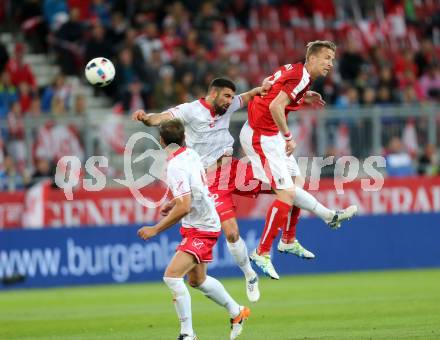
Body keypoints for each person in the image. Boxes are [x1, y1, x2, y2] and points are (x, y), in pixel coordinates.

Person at [132, 78, 315, 301]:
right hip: (211, 181)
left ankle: (291, 236)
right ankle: (250, 275)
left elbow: (249, 96)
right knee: (232, 233)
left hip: (234, 170)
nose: (230, 101)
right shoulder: (191, 110)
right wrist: (146, 118)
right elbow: (161, 117)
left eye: (231, 97)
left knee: (289, 187)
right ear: (213, 94)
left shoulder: (228, 105)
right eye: (226, 96)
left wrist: (277, 93)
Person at [239, 40, 358, 279]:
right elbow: (275, 105)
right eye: (326, 58)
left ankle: (288, 239)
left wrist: (303, 98)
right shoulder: (300, 77)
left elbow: (274, 94)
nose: (330, 64)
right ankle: (262, 252)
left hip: (267, 132)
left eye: (332, 59)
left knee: (297, 182)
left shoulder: (296, 71)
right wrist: (288, 136)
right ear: (312, 58)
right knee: (286, 193)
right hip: (262, 135)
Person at [137, 119, 250, 340]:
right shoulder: (190, 154)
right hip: (198, 223)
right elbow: (194, 187)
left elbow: (185, 206)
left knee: (171, 276)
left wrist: (156, 229)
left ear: (161, 141)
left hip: (203, 226)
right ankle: (238, 312)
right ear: (184, 138)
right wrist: (174, 201)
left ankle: (187, 334)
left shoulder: (174, 166)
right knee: (197, 280)